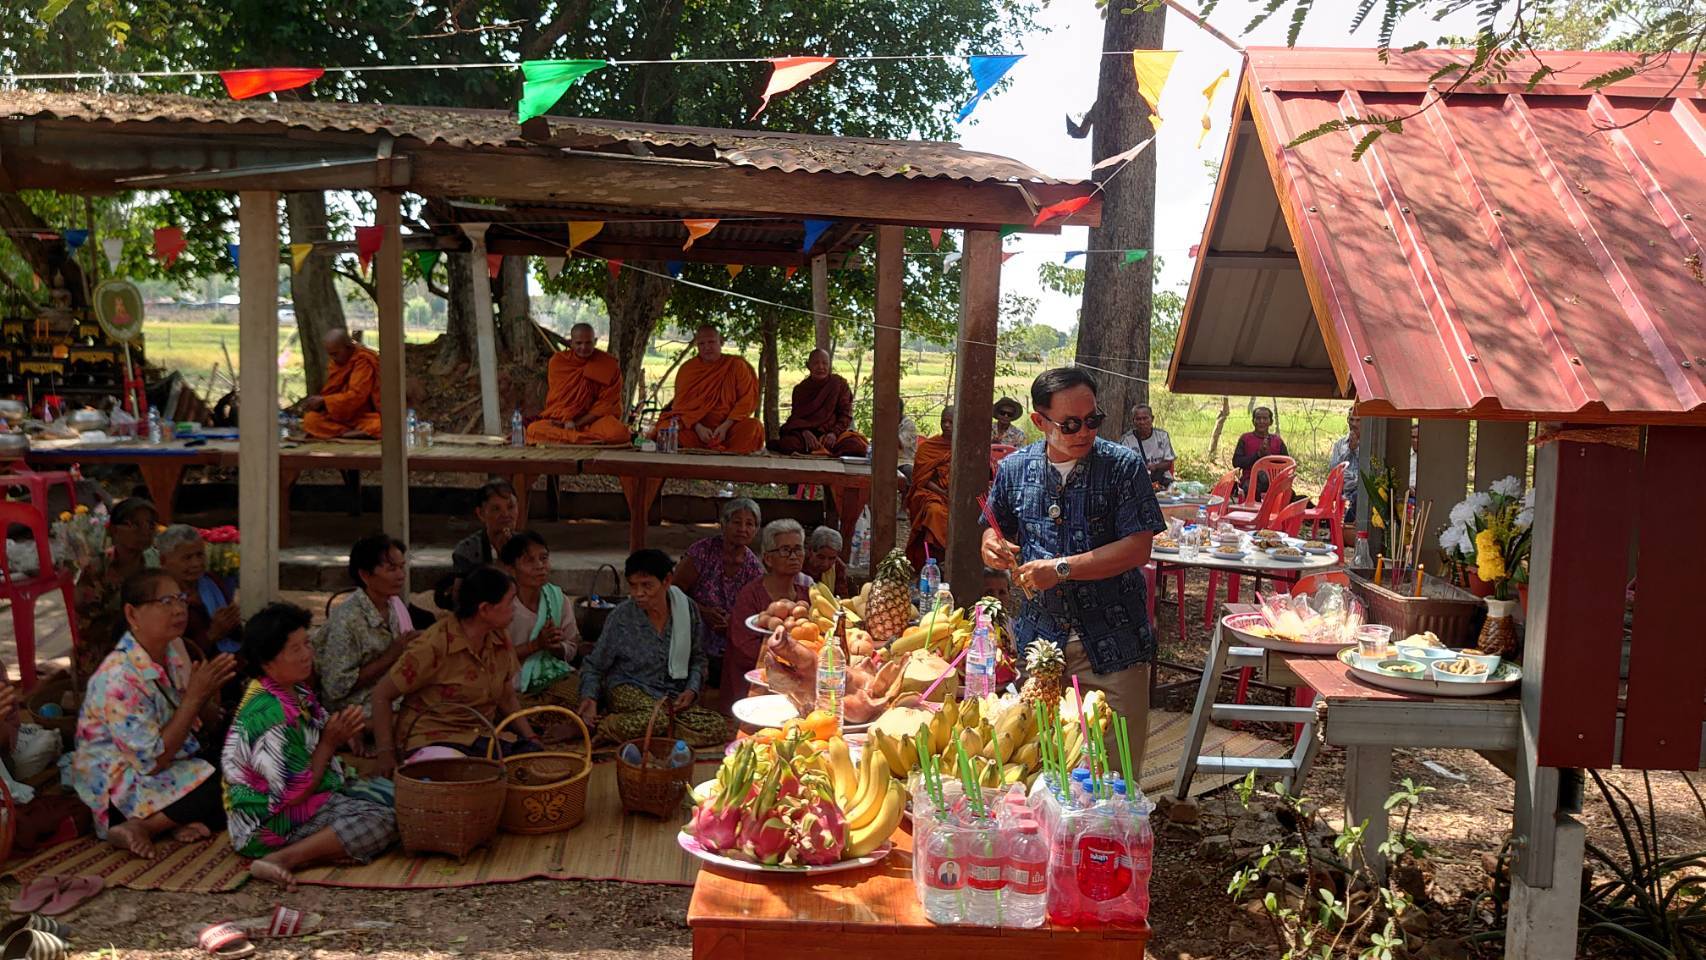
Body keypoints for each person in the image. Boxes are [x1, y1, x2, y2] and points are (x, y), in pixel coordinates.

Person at [982, 368, 1165, 776]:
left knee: (1113, 778)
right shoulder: (1015, 469)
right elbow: (996, 527)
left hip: (1112, 642)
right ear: (1039, 421)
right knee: (1036, 771)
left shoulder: (1122, 467)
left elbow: (1139, 547)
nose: (1084, 432)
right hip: (1039, 641)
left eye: (1092, 420)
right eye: (1070, 424)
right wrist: (991, 545)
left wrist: (1062, 569)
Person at [224, 603, 397, 890]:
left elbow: (319, 726)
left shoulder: (296, 689)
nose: (307, 655)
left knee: (397, 798)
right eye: (295, 649)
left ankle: (327, 846)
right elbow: (293, 794)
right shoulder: (267, 714)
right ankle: (282, 858)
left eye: (307, 644)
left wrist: (344, 732)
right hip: (269, 823)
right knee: (382, 819)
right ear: (268, 661)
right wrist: (329, 743)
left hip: (312, 797)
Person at [69, 570, 239, 858]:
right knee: (228, 783)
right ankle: (144, 826)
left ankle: (173, 820)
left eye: (181, 599)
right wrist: (194, 699)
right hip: (121, 789)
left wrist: (204, 703)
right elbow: (152, 762)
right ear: (132, 614)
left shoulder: (171, 650)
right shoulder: (118, 677)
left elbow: (189, 725)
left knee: (243, 763)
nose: (179, 609)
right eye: (166, 602)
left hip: (169, 767)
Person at [369, 566, 541, 777]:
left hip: (479, 737)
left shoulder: (499, 637)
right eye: (510, 602)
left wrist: (532, 739)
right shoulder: (433, 645)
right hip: (432, 739)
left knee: (533, 764)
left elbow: (506, 696)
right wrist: (385, 753)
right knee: (471, 777)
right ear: (485, 609)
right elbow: (382, 694)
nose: (514, 608)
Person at [577, 549, 727, 746]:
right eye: (633, 585)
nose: (638, 594)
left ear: (667, 581)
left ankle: (649, 732)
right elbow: (595, 665)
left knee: (716, 727)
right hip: (629, 687)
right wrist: (589, 698)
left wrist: (691, 690)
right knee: (656, 719)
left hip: (670, 695)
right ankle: (607, 727)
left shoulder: (687, 609)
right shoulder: (621, 617)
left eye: (646, 585)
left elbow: (698, 658)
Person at [313, 534, 425, 716]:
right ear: (365, 575)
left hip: (390, 693)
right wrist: (390, 656)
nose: (401, 575)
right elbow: (336, 687)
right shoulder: (347, 619)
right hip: (356, 706)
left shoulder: (393, 605)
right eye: (391, 569)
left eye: (402, 567)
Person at [673, 498, 764, 685]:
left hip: (729, 643)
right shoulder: (702, 552)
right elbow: (674, 591)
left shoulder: (754, 568)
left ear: (756, 530)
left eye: (750, 524)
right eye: (736, 522)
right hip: (691, 635)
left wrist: (733, 622)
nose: (743, 529)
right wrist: (702, 611)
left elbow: (755, 612)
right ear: (723, 524)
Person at [725, 520, 815, 696]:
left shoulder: (807, 596)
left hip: (799, 681)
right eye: (785, 550)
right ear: (768, 558)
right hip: (755, 683)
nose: (793, 556)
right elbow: (743, 647)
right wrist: (790, 658)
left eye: (798, 549)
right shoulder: (751, 595)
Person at [73, 497, 158, 680]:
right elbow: (87, 624)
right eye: (133, 524)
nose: (144, 531)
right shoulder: (97, 569)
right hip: (105, 652)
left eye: (150, 525)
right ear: (113, 530)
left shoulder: (155, 563)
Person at [498, 530, 582, 706]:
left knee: (582, 694)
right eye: (529, 561)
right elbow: (493, 658)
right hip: (512, 682)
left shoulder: (558, 599)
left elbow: (572, 647)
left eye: (544, 558)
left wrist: (557, 648)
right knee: (507, 705)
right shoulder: (501, 606)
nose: (540, 566)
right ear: (511, 569)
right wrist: (535, 645)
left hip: (551, 675)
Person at [653, 325, 763, 453]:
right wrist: (698, 427)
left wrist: (725, 426)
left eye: (711, 342)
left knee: (754, 427)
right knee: (665, 428)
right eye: (702, 344)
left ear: (721, 342)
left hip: (729, 429)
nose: (707, 347)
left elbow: (747, 400)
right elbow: (681, 406)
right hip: (694, 429)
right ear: (697, 346)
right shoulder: (688, 370)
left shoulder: (736, 366)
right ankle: (711, 452)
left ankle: (728, 454)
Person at [525, 323, 630, 446]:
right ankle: (591, 441)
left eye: (588, 343)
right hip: (563, 422)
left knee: (618, 433)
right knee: (534, 429)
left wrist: (577, 423)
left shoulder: (608, 365)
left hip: (594, 421)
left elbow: (606, 404)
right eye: (579, 343)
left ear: (595, 341)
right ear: (571, 343)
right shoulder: (558, 362)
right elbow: (560, 402)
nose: (584, 347)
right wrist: (567, 421)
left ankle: (575, 439)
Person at [154, 524, 241, 658]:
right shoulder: (159, 597)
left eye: (200, 555)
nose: (196, 563)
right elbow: (169, 652)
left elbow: (234, 630)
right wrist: (212, 634)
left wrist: (232, 622)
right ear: (163, 560)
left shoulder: (212, 582)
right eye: (187, 558)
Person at [768, 349, 868, 457]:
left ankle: (818, 448)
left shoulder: (839, 384)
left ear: (829, 365)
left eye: (825, 363)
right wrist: (804, 431)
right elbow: (796, 418)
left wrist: (834, 433)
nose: (821, 367)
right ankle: (819, 448)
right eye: (816, 363)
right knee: (788, 444)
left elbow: (846, 414)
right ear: (808, 365)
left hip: (833, 433)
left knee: (857, 446)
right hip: (807, 435)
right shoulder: (800, 390)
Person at [436, 480, 520, 609]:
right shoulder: (467, 550)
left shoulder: (527, 545)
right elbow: (459, 599)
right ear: (481, 514)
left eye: (511, 507)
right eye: (496, 509)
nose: (506, 514)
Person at [302, 327, 383, 439]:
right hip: (339, 415)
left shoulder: (363, 361)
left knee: (382, 425)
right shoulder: (336, 364)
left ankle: (347, 433)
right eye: (330, 354)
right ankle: (349, 433)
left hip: (363, 416)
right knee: (310, 420)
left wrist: (324, 401)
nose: (333, 358)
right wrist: (321, 403)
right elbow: (332, 392)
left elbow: (357, 396)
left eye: (335, 354)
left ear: (348, 347)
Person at [904, 406, 954, 568]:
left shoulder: (966, 447)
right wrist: (943, 492)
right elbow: (921, 479)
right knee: (934, 512)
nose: (946, 425)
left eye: (951, 422)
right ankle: (933, 560)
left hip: (958, 495)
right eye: (943, 421)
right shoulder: (929, 447)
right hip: (933, 492)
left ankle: (955, 561)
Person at [1231, 406, 1289, 498]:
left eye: (1265, 418)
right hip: (1250, 480)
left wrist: (1269, 457)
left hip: (1273, 481)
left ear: (1271, 422)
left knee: (1288, 494)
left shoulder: (1277, 441)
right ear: (1253, 421)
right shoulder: (1245, 439)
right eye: (1258, 418)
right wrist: (1258, 455)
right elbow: (1236, 462)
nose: (1261, 421)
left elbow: (1287, 465)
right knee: (1251, 490)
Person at [1118, 404, 1176, 489]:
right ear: (1133, 421)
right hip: (1137, 483)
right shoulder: (1126, 440)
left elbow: (1168, 463)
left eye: (1145, 418)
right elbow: (1123, 466)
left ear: (1152, 419)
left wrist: (1155, 467)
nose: (1142, 422)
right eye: (1138, 419)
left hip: (1163, 481)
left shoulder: (1162, 436)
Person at [1329, 410, 1361, 521]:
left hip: (1359, 487)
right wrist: (1349, 449)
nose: (1354, 424)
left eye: (1358, 420)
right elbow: (1333, 469)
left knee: (1358, 494)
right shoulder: (1340, 444)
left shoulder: (1369, 443)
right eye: (1351, 420)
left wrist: (1356, 449)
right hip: (1343, 485)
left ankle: (1347, 521)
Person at [803, 526, 848, 594]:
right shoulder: (799, 564)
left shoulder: (838, 567)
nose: (825, 564)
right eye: (821, 557)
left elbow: (842, 596)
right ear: (810, 550)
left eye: (831, 558)